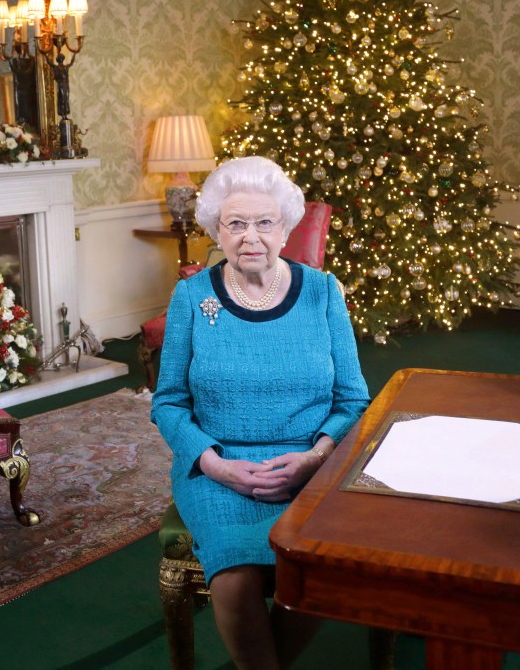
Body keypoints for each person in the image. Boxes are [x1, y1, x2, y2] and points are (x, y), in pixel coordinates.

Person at [151, 156, 370, 668]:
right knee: (234, 575)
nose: (251, 237)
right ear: (217, 230)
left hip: (309, 468)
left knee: (323, 565)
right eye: (236, 224)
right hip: (219, 470)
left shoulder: (322, 292)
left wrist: (314, 459)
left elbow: (354, 398)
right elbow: (169, 402)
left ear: (286, 227)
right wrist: (212, 463)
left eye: (264, 222)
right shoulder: (192, 296)